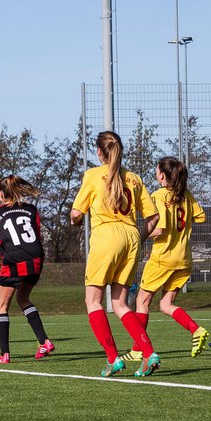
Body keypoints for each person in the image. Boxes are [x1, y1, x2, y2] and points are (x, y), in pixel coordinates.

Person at [70, 131, 160, 377]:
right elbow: (154, 217)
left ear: (99, 152)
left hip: (106, 236)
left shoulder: (93, 174)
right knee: (120, 303)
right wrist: (139, 238)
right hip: (131, 237)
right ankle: (149, 352)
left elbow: (76, 214)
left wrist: (76, 220)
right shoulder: (134, 178)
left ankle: (113, 359)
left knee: (93, 302)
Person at [133, 157, 211, 358]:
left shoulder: (158, 196)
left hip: (163, 258)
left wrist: (138, 238)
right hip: (184, 260)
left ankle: (137, 349)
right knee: (165, 304)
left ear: (162, 175)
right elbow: (201, 216)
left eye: (157, 169)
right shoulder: (185, 195)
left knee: (142, 301)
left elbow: (159, 229)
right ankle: (196, 329)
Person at [0, 175, 54, 364]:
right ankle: (45, 342)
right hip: (35, 260)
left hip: (14, 261)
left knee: (1, 306)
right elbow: (37, 236)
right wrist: (39, 263)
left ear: (0, 194)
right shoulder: (31, 209)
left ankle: (4, 354)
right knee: (22, 298)